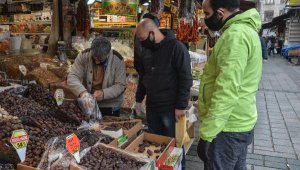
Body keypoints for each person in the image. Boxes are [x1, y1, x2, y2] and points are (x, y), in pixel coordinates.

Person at [197, 0, 262, 169]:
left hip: (228, 127)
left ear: (220, 13)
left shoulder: (235, 36)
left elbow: (226, 90)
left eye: (206, 13)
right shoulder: (243, 31)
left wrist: (207, 134)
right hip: (238, 121)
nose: (205, 18)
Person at [134, 19, 192, 170]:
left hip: (170, 109)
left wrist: (181, 106)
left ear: (152, 33)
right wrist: (139, 100)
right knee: (156, 145)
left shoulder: (176, 48)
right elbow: (143, 77)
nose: (141, 43)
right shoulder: (146, 51)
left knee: (174, 146)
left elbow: (185, 78)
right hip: (152, 108)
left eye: (142, 39)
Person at [67, 37, 126, 117]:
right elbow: (72, 77)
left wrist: (103, 93)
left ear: (108, 54)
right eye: (94, 58)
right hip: (88, 103)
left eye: (100, 59)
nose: (97, 61)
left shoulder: (117, 60)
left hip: (110, 105)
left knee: (108, 128)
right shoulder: (83, 56)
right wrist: (83, 93)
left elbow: (120, 85)